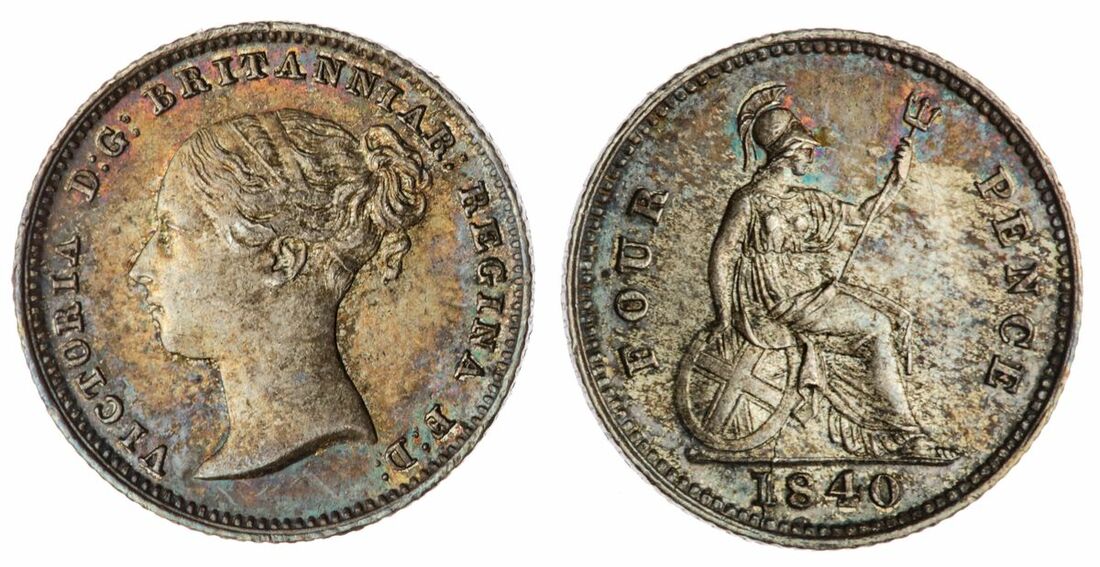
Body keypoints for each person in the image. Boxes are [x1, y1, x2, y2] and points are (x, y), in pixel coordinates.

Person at [129, 109, 430, 479]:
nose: (138, 270)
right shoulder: (239, 456)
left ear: (281, 260)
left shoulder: (322, 444)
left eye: (166, 236)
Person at [707, 84, 954, 459]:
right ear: (789, 152)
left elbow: (862, 216)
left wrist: (897, 179)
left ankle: (886, 424)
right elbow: (724, 254)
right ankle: (907, 434)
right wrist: (724, 316)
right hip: (778, 300)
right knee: (877, 326)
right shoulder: (749, 200)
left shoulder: (808, 200)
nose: (811, 157)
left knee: (892, 316)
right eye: (807, 150)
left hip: (811, 294)